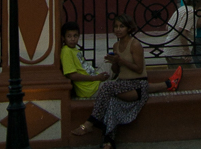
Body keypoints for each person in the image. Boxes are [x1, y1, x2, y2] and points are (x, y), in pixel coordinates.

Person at [71, 14, 181, 147]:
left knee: (106, 87)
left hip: (137, 86)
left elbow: (139, 69)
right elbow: (117, 71)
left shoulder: (135, 44)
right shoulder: (116, 45)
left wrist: (121, 60)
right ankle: (108, 142)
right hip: (122, 84)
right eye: (116, 26)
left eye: (121, 26)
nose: (118, 29)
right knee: (112, 102)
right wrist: (114, 63)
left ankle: (90, 122)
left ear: (129, 28)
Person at [61, 21, 109, 98]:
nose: (73, 39)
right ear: (63, 38)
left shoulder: (74, 49)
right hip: (90, 89)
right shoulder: (66, 51)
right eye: (69, 36)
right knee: (117, 86)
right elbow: (72, 76)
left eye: (75, 36)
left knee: (109, 62)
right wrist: (96, 78)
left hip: (95, 79)